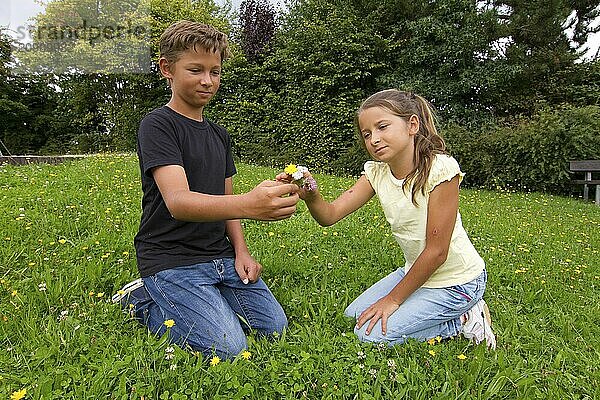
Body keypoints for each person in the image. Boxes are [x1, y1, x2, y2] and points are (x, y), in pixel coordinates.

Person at [112, 21, 300, 359]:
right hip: (170, 258)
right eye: (196, 69)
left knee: (274, 328)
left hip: (221, 256)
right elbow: (179, 202)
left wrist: (242, 252)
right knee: (227, 347)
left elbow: (228, 202)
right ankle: (142, 299)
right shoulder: (158, 125)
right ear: (166, 69)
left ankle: (203, 299)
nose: (207, 81)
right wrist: (250, 204)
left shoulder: (219, 135)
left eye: (215, 72)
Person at [277, 89, 496, 349]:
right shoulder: (377, 173)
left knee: (370, 335)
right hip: (416, 271)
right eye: (367, 134)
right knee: (355, 317)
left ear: (412, 125)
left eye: (382, 127)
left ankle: (464, 318)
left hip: (457, 281)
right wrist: (311, 195)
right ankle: (438, 312)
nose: (374, 139)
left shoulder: (441, 170)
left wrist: (393, 300)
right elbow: (330, 215)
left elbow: (437, 252)